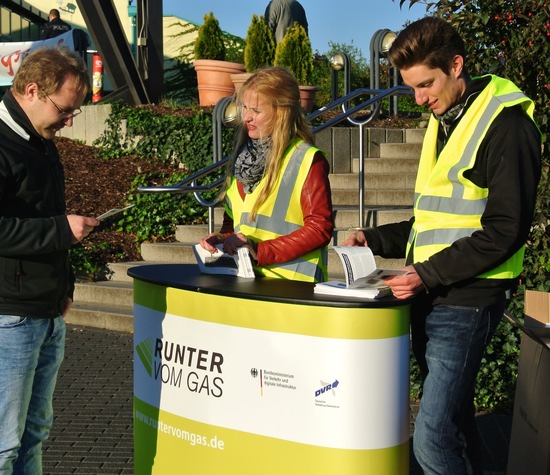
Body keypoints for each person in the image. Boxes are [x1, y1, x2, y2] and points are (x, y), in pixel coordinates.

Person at [341, 17, 541, 474]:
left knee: (431, 439)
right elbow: (431, 221)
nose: (419, 98)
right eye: (411, 88)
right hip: (436, 294)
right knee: (454, 424)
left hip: (468, 299)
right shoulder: (447, 118)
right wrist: (373, 238)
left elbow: (507, 228)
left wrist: (424, 274)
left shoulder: (506, 122)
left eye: (426, 84)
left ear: (456, 65)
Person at [0, 47, 97, 474]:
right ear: (31, 90)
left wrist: (63, 287)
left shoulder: (39, 141)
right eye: (65, 110)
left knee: (32, 436)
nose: (69, 120)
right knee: (0, 445)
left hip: (43, 311)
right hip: (3, 318)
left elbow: (42, 213)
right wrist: (60, 230)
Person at [200, 66, 333, 282]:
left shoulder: (307, 159)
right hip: (249, 281)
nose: (246, 118)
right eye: (244, 108)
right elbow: (234, 225)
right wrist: (222, 239)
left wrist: (258, 250)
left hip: (296, 289)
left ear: (282, 112)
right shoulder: (241, 160)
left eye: (256, 110)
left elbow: (320, 229)